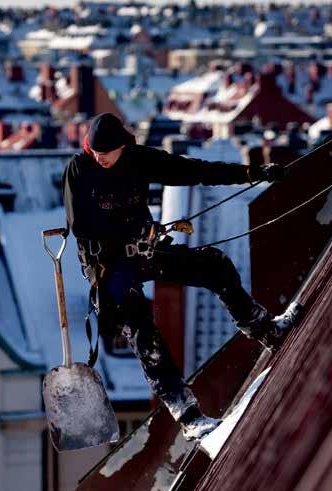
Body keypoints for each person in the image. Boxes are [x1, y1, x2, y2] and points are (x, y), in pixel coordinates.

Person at [63, 113, 302, 441]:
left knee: (213, 265)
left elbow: (194, 170)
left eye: (107, 153)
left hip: (144, 253)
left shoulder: (138, 160)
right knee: (139, 323)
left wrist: (252, 173)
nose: (100, 158)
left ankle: (265, 330)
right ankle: (187, 413)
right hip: (110, 267)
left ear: (123, 147)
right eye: (96, 152)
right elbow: (81, 225)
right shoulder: (80, 169)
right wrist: (126, 236)